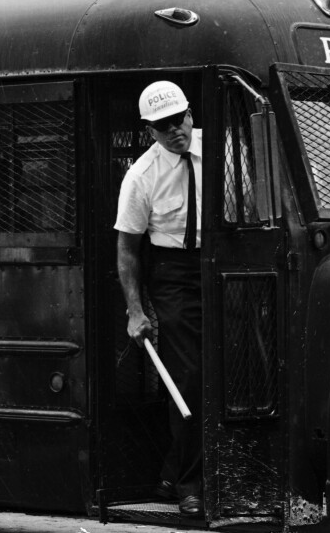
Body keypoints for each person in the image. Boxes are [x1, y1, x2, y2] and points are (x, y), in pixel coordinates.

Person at [114, 81, 204, 518]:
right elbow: (127, 248)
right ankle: (189, 484)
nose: (175, 131)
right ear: (150, 130)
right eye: (163, 126)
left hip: (225, 262)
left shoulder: (223, 150)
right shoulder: (141, 176)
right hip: (173, 273)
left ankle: (172, 473)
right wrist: (136, 310)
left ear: (190, 114)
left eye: (179, 119)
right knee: (186, 377)